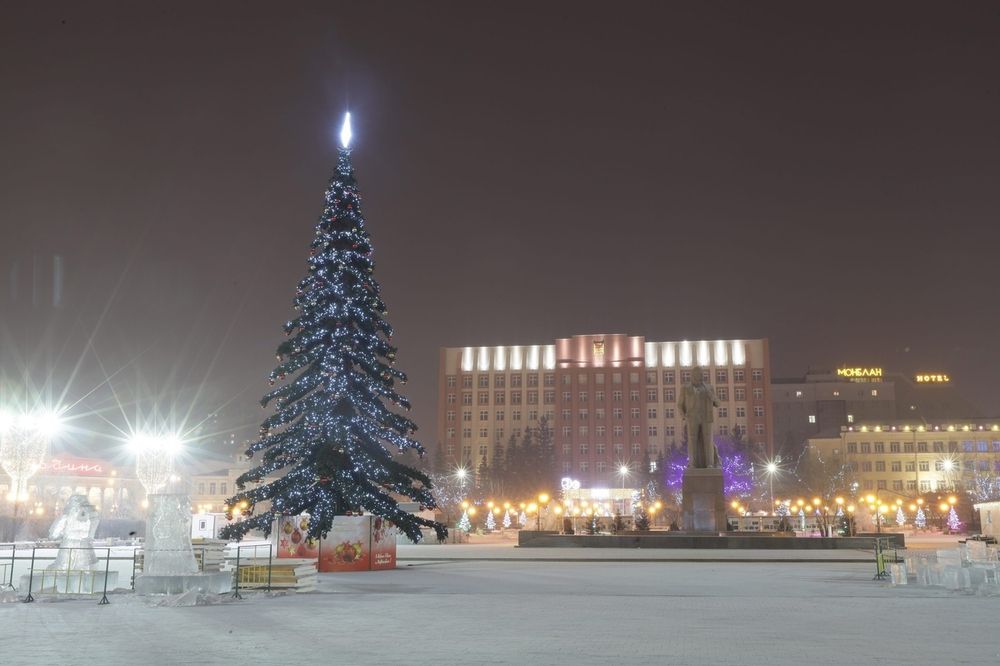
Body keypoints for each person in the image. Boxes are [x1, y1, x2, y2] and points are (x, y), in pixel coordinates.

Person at [678, 367, 720, 468]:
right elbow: (680, 404)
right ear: (692, 375)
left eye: (701, 374)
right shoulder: (685, 388)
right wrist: (684, 416)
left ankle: (709, 464)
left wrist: (712, 397)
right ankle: (693, 464)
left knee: (708, 441)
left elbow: (718, 403)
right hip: (692, 418)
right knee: (692, 442)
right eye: (697, 374)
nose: (700, 376)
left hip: (706, 418)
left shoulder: (709, 388)